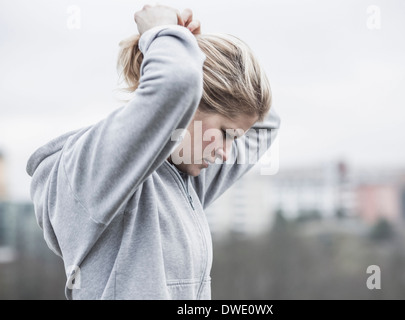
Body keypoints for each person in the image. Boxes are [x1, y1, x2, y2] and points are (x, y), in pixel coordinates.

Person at [26, 4, 280, 300]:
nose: (226, 153)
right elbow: (177, 83)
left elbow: (266, 123)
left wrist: (190, 50)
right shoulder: (94, 172)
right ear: (188, 105)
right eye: (226, 134)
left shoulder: (189, 179)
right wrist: (164, 35)